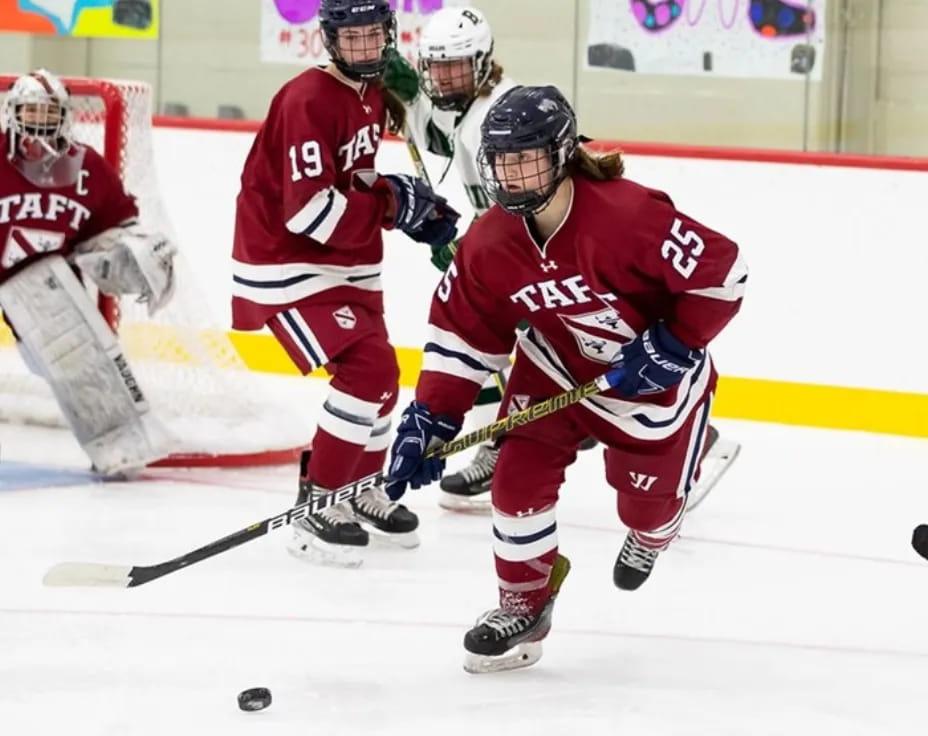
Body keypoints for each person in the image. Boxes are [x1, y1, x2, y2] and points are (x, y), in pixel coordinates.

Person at [385, 85, 747, 673]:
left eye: (526, 159)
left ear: (560, 154)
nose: (512, 175)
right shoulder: (488, 242)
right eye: (501, 161)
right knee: (514, 483)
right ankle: (524, 605)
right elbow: (462, 333)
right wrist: (431, 417)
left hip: (647, 388)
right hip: (554, 369)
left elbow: (724, 274)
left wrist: (676, 343)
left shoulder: (628, 216)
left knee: (646, 511)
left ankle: (657, 527)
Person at [231, 0, 459, 568]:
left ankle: (359, 488)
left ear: (388, 34)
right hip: (286, 262)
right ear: (330, 40)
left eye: (372, 35)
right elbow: (307, 211)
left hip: (344, 261)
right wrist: (390, 206)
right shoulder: (307, 99)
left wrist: (405, 204)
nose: (362, 47)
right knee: (369, 370)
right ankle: (318, 501)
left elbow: (351, 181)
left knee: (384, 377)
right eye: (350, 37)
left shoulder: (371, 94)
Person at [0, 68, 177, 476]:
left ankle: (119, 445)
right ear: (13, 113)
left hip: (37, 286)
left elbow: (112, 223)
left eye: (48, 111)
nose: (39, 120)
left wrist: (133, 254)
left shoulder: (85, 167)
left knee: (80, 358)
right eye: (30, 110)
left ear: (65, 115)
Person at [381, 6, 523, 512]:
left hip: (540, 257)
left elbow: (527, 205)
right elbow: (440, 129)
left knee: (580, 359)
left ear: (481, 62)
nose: (442, 78)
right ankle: (502, 447)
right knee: (470, 336)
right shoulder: (470, 106)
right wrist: (405, 96)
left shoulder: (499, 116)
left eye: (454, 66)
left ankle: (695, 441)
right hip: (513, 256)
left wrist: (470, 252)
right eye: (434, 67)